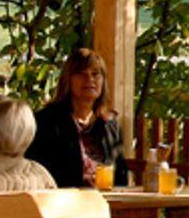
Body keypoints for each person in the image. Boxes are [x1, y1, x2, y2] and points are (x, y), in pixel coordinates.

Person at [26, 46, 123, 189]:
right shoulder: (47, 122)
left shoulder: (110, 124)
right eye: (81, 74)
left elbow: (121, 177)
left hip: (106, 199)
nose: (89, 79)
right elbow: (38, 173)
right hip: (62, 199)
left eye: (95, 74)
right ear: (68, 80)